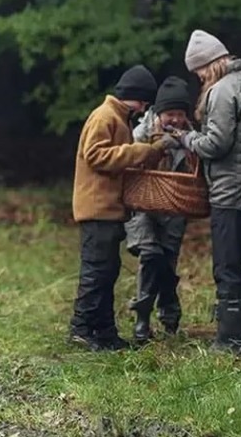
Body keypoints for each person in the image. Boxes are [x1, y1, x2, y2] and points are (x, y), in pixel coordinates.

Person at [172, 30, 241, 351]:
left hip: (231, 189)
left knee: (226, 266)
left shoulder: (223, 90)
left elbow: (216, 143)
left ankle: (230, 339)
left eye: (199, 70)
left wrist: (186, 139)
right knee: (238, 262)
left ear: (210, 64)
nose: (199, 77)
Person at [70, 65, 176, 351]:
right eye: (143, 101)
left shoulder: (120, 118)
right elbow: (96, 155)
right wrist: (144, 151)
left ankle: (105, 333)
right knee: (96, 273)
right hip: (97, 209)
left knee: (108, 272)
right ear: (133, 96)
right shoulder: (105, 117)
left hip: (110, 209)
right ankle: (81, 328)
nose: (144, 108)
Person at [124, 76, 196, 343]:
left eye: (179, 114)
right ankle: (144, 317)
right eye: (169, 114)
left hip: (175, 208)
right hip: (142, 206)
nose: (175, 120)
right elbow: (130, 159)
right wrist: (155, 146)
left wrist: (188, 145)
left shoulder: (191, 138)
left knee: (166, 261)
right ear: (158, 113)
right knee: (150, 255)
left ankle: (167, 315)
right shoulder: (140, 133)